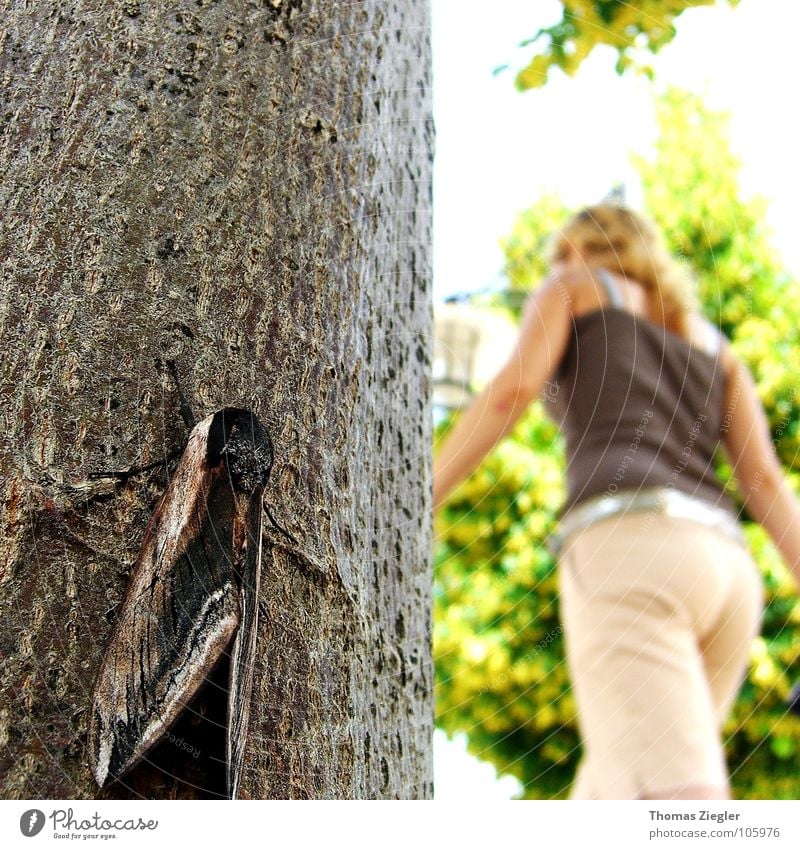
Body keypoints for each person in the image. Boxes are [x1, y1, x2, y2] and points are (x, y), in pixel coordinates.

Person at [432, 203, 800, 800]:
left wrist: (427, 495)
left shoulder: (573, 287)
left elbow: (514, 391)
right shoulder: (716, 345)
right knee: (616, 787)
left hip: (634, 550)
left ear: (577, 250)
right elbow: (764, 482)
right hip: (728, 573)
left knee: (682, 804)